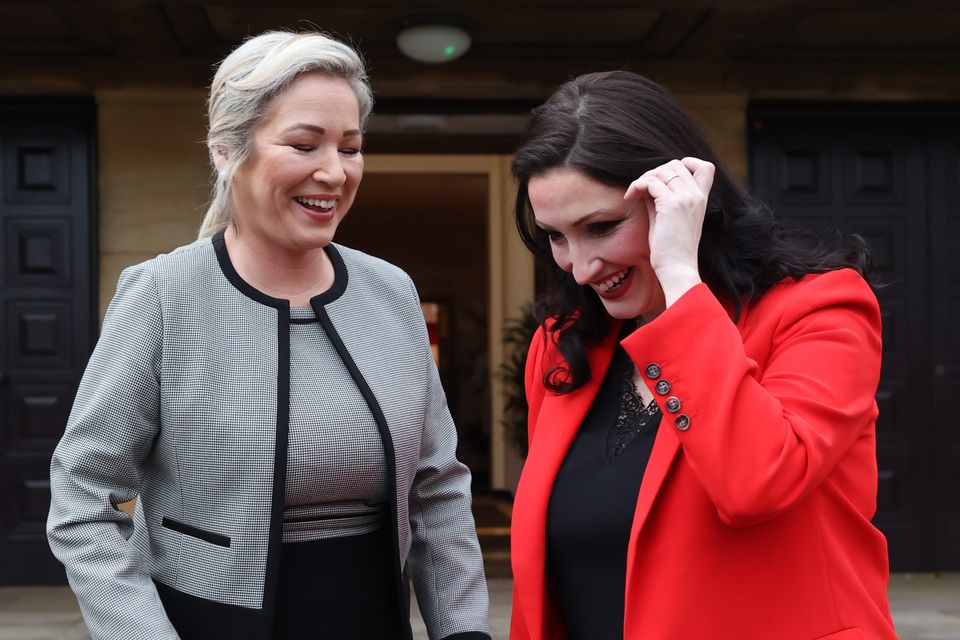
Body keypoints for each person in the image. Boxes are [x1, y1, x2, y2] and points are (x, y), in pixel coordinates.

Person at [47, 30, 490, 640]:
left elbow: (436, 485)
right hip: (207, 623)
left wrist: (463, 630)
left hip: (372, 618)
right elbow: (84, 496)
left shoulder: (390, 291)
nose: (334, 172)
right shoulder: (163, 294)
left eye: (352, 147)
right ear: (228, 151)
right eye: (305, 144)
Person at [508, 70, 897, 640]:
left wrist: (679, 279)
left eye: (602, 226)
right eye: (557, 236)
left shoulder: (820, 308)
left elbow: (755, 483)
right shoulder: (563, 346)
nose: (581, 266)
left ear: (681, 202)